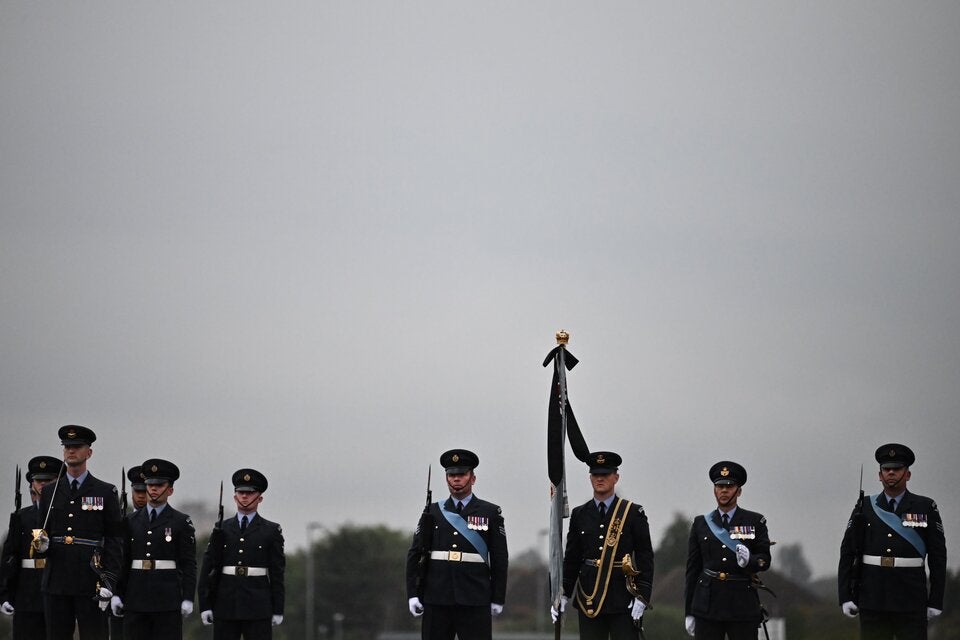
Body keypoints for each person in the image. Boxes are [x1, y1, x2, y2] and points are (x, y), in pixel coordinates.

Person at [838, 443, 947, 640]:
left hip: (911, 598)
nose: (891, 473)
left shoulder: (925, 506)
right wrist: (845, 596)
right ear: (879, 475)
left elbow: (938, 556)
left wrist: (935, 600)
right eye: (886, 469)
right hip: (873, 597)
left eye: (896, 469)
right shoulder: (865, 506)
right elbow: (847, 551)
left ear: (908, 474)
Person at [405, 449, 509, 640]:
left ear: (473, 478)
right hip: (437, 597)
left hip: (475, 597)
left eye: (462, 474)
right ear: (446, 479)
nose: (456, 479)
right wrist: (412, 593)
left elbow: (500, 558)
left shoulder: (490, 512)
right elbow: (415, 554)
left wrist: (498, 597)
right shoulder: (433, 512)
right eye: (451, 475)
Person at [552, 451, 654, 640]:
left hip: (623, 597)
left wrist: (642, 595)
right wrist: (564, 593)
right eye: (595, 474)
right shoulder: (580, 514)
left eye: (605, 474)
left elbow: (645, 556)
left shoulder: (632, 513)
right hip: (588, 596)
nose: (600, 479)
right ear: (590, 478)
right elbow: (572, 558)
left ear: (616, 477)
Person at [37, 425, 124, 640]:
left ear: (89, 452)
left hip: (90, 578)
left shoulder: (105, 491)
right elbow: (41, 532)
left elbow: (114, 539)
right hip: (57, 579)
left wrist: (109, 581)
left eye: (76, 446)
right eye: (67, 446)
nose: (71, 450)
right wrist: (41, 546)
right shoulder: (50, 492)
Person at [684, 461, 771, 640]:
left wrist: (750, 561)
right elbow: (692, 570)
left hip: (742, 604)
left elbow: (764, 560)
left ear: (739, 491)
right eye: (720, 486)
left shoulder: (755, 521)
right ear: (714, 490)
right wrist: (689, 612)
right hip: (707, 604)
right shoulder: (701, 523)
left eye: (729, 487)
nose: (724, 491)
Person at [111, 458, 197, 639]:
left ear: (170, 490)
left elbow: (188, 563)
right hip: (135, 597)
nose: (153, 489)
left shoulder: (180, 522)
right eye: (150, 485)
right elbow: (123, 560)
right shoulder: (130, 521)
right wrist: (117, 593)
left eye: (159, 485)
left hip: (167, 599)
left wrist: (188, 597)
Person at [198, 468, 285, 639]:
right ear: (234, 496)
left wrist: (278, 609)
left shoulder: (271, 530)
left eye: (250, 493)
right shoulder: (222, 528)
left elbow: (277, 573)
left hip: (258, 605)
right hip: (225, 603)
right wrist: (205, 604)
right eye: (241, 492)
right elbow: (208, 567)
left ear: (260, 498)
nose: (244, 496)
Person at [0, 455, 62, 639]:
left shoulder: (66, 516)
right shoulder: (21, 517)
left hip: (57, 591)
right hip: (26, 593)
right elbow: (10, 557)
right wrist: (4, 595)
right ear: (32, 484)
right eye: (38, 480)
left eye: (48, 480)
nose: (42, 484)